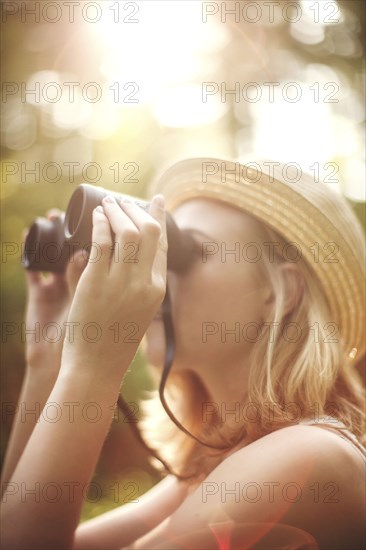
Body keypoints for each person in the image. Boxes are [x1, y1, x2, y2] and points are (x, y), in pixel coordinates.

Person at [1, 158, 365, 549]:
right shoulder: (209, 470)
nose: (156, 273)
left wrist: (93, 369)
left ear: (281, 292)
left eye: (187, 250)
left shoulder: (306, 456)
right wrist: (49, 365)